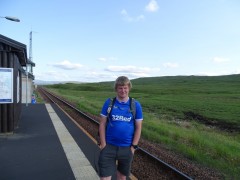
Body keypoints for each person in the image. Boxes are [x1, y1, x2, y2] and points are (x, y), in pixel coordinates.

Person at [98, 76, 143, 180]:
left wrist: (133, 147)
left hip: (127, 148)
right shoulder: (109, 103)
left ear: (129, 88)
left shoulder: (135, 105)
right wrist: (103, 144)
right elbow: (102, 124)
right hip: (109, 146)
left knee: (122, 177)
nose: (123, 90)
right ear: (116, 89)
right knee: (104, 178)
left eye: (125, 88)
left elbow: (138, 127)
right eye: (120, 88)